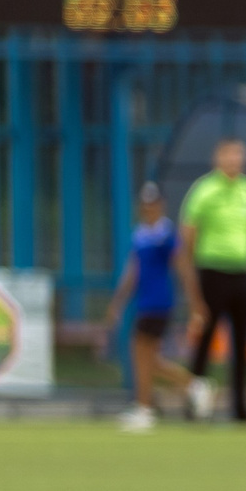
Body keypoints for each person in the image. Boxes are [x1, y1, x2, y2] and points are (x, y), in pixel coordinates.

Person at [176, 137, 246, 422]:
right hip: (212, 271)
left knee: (242, 341)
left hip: (242, 272)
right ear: (218, 158)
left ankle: (240, 407)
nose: (234, 161)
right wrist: (190, 273)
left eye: (239, 156)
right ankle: (194, 403)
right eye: (229, 155)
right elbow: (188, 234)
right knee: (205, 338)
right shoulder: (205, 190)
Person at [99, 183, 192, 432]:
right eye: (145, 204)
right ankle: (190, 386)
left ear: (161, 205)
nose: (149, 209)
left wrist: (195, 301)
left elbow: (182, 267)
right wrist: (118, 302)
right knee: (147, 358)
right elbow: (132, 272)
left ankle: (145, 408)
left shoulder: (165, 234)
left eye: (153, 204)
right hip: (144, 302)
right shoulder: (140, 234)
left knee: (141, 352)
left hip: (160, 301)